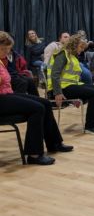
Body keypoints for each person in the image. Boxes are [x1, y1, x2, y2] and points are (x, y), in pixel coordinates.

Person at [0, 31, 73, 165]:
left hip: (6, 95)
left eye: (8, 49)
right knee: (37, 109)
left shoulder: (1, 61)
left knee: (45, 103)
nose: (7, 52)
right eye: (4, 49)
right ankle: (33, 154)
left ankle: (55, 143)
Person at [47, 34, 94, 135]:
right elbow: (54, 74)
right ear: (73, 45)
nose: (82, 50)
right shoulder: (62, 54)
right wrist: (57, 92)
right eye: (81, 47)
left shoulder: (72, 56)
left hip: (70, 85)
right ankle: (89, 126)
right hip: (61, 88)